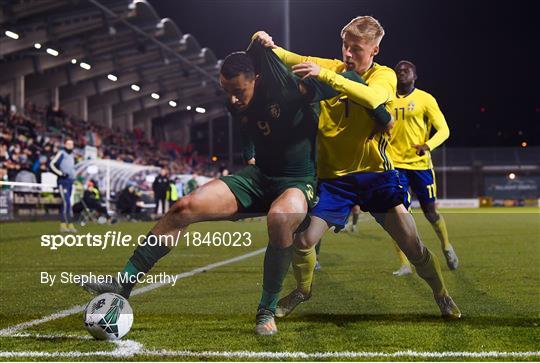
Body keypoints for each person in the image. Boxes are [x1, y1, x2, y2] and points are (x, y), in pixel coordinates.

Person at [82, 41, 374, 336]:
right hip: (258, 177)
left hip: (298, 181)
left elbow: (353, 82)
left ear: (256, 80)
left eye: (238, 91)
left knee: (281, 218)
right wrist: (249, 152)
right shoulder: (237, 103)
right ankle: (123, 283)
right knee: (183, 208)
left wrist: (324, 74)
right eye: (226, 91)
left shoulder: (290, 88)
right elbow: (248, 128)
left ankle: (266, 310)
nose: (232, 99)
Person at [254, 15, 461, 320]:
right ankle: (303, 291)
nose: (348, 54)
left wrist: (325, 76)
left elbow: (373, 97)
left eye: (357, 49)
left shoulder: (384, 76)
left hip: (376, 177)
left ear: (374, 50)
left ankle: (441, 294)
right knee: (304, 240)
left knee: (413, 245)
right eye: (345, 46)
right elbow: (284, 56)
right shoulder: (330, 67)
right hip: (334, 180)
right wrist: (265, 41)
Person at [388, 60, 457, 276]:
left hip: (420, 166)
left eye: (407, 69)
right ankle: (405, 265)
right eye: (398, 69)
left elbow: (444, 130)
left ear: (415, 76)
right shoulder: (387, 98)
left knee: (430, 212)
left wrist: (428, 146)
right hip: (394, 165)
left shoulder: (425, 99)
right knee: (397, 216)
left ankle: (446, 246)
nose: (402, 72)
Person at [49, 138, 76, 233]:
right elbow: (52, 164)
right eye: (68, 144)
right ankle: (63, 224)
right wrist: (60, 173)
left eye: (71, 144)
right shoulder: (61, 153)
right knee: (66, 202)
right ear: (65, 145)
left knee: (69, 203)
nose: (70, 146)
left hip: (70, 182)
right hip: (63, 181)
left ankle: (70, 224)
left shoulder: (72, 155)